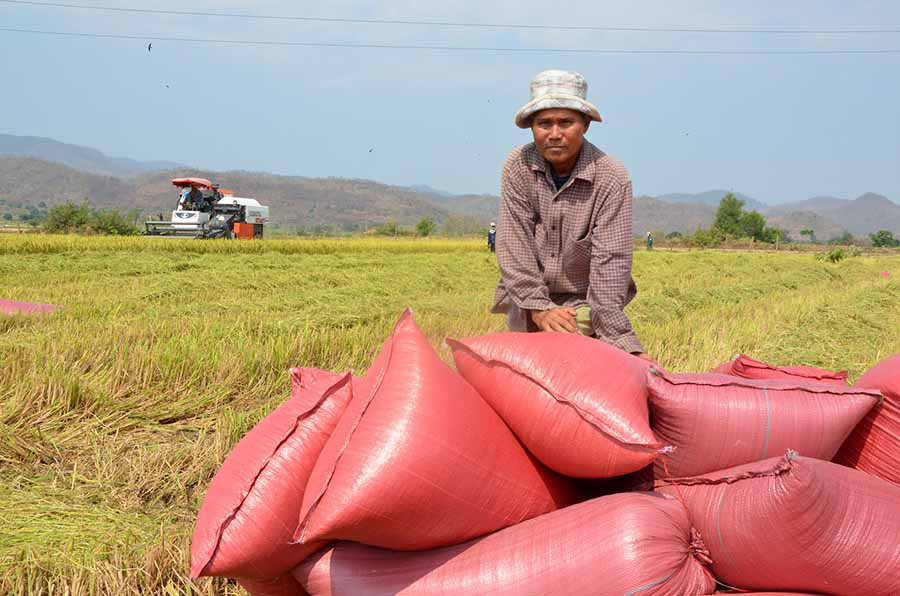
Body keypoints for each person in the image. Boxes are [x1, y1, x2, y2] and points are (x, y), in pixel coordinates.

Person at [490, 69, 655, 364]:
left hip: (583, 305)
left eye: (565, 122)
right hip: (527, 301)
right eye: (544, 124)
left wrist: (625, 344)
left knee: (571, 364)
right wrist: (539, 309)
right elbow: (514, 247)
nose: (554, 134)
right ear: (531, 127)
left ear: (586, 124)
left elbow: (611, 266)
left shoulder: (612, 178)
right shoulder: (518, 167)